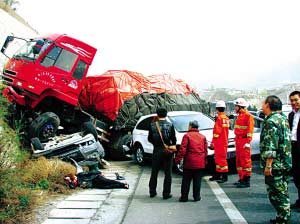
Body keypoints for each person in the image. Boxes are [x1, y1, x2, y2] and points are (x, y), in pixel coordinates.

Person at [260, 95, 292, 224]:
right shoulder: (283, 118)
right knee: (282, 190)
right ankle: (282, 217)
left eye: (263, 103)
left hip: (276, 165)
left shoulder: (271, 121)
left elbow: (271, 146)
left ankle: (283, 219)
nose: (262, 106)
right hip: (284, 162)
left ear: (268, 105)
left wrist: (268, 166)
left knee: (277, 193)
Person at [174, 120, 208, 202]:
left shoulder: (187, 136)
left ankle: (184, 197)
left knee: (186, 181)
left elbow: (182, 150)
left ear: (190, 126)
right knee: (197, 181)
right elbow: (205, 151)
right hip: (200, 163)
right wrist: (205, 161)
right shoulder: (203, 137)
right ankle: (196, 197)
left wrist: (177, 160)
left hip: (189, 162)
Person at [148, 107, 177, 199]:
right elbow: (174, 139)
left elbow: (149, 138)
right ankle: (166, 193)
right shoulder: (170, 125)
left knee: (154, 172)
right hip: (168, 151)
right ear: (166, 114)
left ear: (157, 115)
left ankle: (152, 192)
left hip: (157, 150)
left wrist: (156, 144)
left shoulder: (152, 125)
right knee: (168, 173)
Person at [233, 98, 254, 188]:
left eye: (236, 106)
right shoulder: (240, 115)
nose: (235, 108)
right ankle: (241, 178)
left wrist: (248, 142)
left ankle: (246, 180)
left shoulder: (248, 116)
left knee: (245, 161)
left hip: (244, 141)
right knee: (239, 161)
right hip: (238, 141)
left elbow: (250, 130)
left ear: (240, 106)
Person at [209, 100, 230, 183]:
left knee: (220, 160)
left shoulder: (219, 119)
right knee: (219, 159)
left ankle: (224, 176)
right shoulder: (226, 118)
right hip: (224, 142)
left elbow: (216, 133)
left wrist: (212, 142)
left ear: (217, 109)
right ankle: (218, 175)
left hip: (219, 143)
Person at [288, 90, 300, 210]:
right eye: (292, 100)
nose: (294, 102)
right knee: (296, 175)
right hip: (294, 147)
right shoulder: (291, 115)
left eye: (296, 100)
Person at [64, 170, 129, 189]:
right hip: (93, 184)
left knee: (108, 181)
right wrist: (69, 181)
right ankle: (122, 186)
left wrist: (99, 172)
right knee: (107, 186)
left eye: (69, 178)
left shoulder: (80, 175)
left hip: (95, 178)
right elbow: (72, 187)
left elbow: (90, 172)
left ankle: (123, 184)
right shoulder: (73, 182)